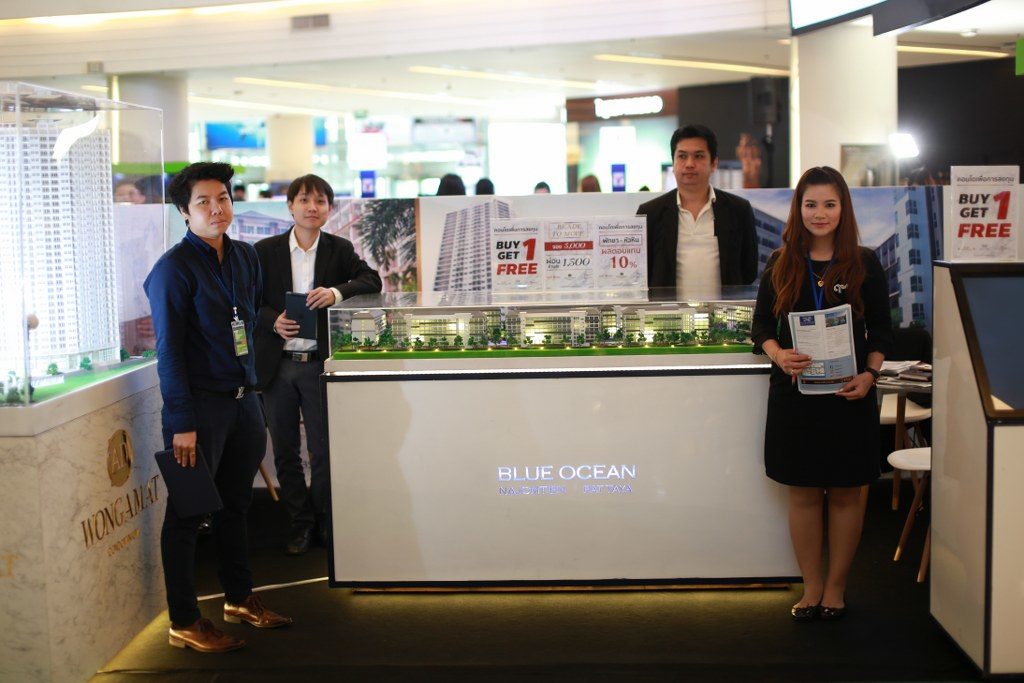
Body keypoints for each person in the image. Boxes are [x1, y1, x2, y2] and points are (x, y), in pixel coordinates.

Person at [144, 162, 292, 654]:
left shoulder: (245, 256)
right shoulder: (171, 270)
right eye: (203, 202)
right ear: (184, 213)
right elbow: (169, 354)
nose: (216, 209)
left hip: (243, 402)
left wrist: (255, 388)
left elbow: (246, 322)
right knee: (187, 515)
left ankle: (239, 598)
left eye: (223, 198)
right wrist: (182, 422)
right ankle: (184, 621)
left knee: (236, 505)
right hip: (198, 412)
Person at [751, 166, 893, 622]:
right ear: (799, 209)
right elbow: (761, 327)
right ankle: (811, 587)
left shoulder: (863, 262)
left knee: (848, 493)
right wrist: (778, 354)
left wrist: (870, 375)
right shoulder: (781, 262)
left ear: (843, 208)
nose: (819, 213)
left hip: (850, 395)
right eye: (810, 204)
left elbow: (882, 330)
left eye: (829, 204)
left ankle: (836, 588)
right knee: (804, 494)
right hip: (796, 396)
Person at [254, 174, 382, 555]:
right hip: (277, 365)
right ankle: (301, 524)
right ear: (290, 206)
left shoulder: (339, 249)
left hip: (318, 364)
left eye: (321, 201)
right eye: (305, 200)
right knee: (285, 451)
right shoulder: (264, 251)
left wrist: (336, 292)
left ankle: (325, 520)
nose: (313, 207)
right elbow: (245, 300)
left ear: (329, 208)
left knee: (323, 450)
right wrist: (272, 321)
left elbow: (372, 280)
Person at [636, 124, 757, 300]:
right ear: (673, 163)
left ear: (714, 163)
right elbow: (642, 273)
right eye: (682, 156)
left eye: (698, 156)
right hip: (667, 315)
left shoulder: (739, 210)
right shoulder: (650, 214)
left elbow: (748, 271)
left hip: (724, 315)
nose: (689, 164)